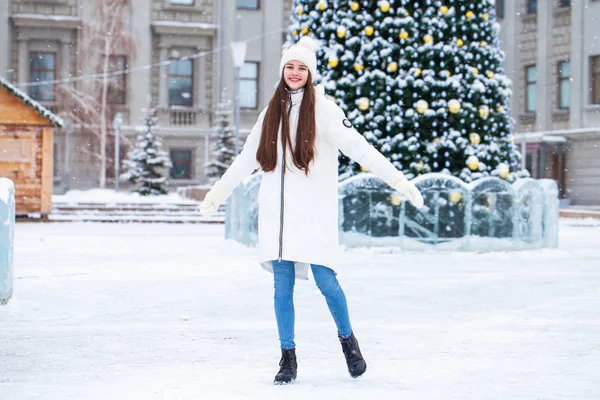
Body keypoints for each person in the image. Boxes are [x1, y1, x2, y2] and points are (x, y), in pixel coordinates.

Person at [200, 36, 424, 385]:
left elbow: (361, 150)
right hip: (278, 215)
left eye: (301, 67)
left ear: (310, 73)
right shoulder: (269, 113)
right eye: (290, 66)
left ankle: (348, 340)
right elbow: (246, 160)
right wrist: (218, 192)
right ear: (282, 70)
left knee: (327, 282)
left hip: (314, 215)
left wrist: (399, 180)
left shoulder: (325, 110)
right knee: (281, 287)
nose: (294, 72)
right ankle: (287, 356)